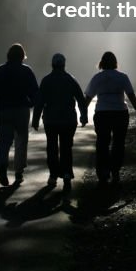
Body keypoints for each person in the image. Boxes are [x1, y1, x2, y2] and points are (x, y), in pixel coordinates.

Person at [84, 50, 136, 186]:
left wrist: (82, 113)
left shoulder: (97, 78)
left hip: (102, 114)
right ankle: (115, 170)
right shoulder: (122, 77)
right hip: (119, 113)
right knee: (118, 143)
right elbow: (131, 94)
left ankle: (103, 173)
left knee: (102, 143)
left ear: (101, 63)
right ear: (115, 63)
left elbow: (88, 97)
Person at [32, 52, 88, 193]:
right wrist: (84, 116)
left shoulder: (46, 80)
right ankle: (67, 174)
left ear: (52, 65)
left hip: (51, 120)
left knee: (52, 147)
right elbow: (81, 99)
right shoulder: (71, 79)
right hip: (68, 120)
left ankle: (53, 175)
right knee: (66, 147)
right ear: (64, 65)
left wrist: (35, 119)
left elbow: (39, 103)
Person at [0, 43, 38, 186]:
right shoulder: (26, 71)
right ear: (22, 56)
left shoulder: (0, 70)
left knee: (3, 140)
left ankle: (2, 168)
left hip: (4, 109)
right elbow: (35, 91)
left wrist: (2, 97)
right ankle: (18, 172)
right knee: (21, 141)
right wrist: (32, 103)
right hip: (21, 110)